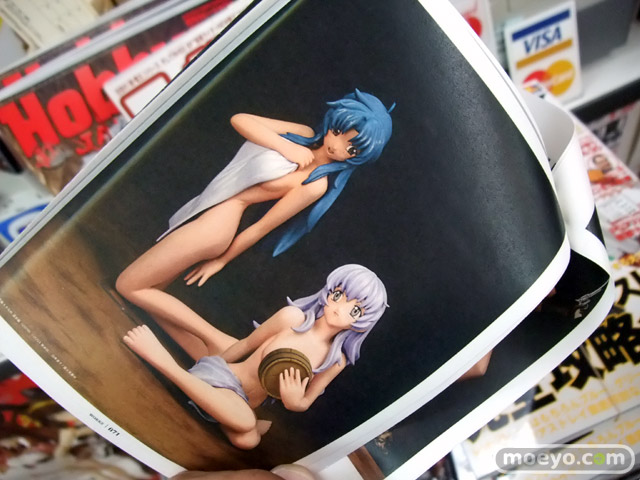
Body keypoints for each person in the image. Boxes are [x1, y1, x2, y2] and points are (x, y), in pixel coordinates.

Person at [116, 90, 394, 356]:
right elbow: (241, 120)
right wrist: (286, 146)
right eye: (339, 131)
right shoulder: (303, 134)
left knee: (129, 286)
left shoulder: (315, 185)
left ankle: (219, 341)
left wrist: (221, 260)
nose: (337, 145)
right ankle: (203, 353)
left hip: (217, 226)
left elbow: (263, 226)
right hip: (209, 209)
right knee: (152, 290)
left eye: (352, 148)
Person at [123, 265, 388, 450]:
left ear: (363, 323)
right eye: (338, 295)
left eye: (355, 310)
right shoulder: (293, 318)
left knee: (247, 440)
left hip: (244, 401)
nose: (340, 308)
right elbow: (248, 344)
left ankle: (220, 405)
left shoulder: (336, 360)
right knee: (246, 422)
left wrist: (294, 402)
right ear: (329, 292)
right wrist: (213, 363)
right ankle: (164, 361)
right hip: (228, 377)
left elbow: (305, 401)